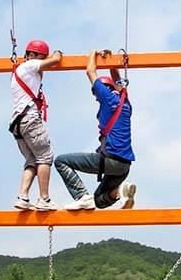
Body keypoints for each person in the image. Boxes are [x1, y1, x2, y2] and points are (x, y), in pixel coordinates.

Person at [54, 48, 136, 210]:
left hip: (110, 159)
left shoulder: (106, 98)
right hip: (124, 166)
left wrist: (94, 53)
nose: (95, 97)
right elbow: (117, 79)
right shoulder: (125, 103)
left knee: (61, 161)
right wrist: (111, 62)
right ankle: (120, 191)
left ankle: (81, 196)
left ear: (101, 90)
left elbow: (90, 70)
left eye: (95, 93)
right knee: (98, 201)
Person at [10, 39, 63, 211]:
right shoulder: (30, 65)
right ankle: (44, 199)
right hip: (30, 119)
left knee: (32, 159)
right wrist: (57, 54)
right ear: (33, 55)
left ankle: (23, 196)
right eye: (42, 57)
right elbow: (55, 61)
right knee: (45, 156)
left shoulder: (20, 70)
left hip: (18, 122)